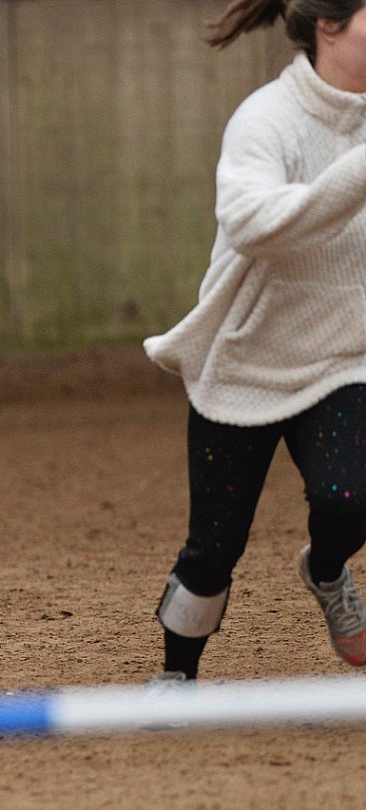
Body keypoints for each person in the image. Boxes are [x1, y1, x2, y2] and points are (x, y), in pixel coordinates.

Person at [147, 0, 366, 681]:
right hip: (244, 365)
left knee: (350, 499)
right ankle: (177, 677)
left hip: (345, 359)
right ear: (330, 25)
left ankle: (326, 571)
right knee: (212, 553)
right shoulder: (265, 119)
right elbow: (253, 224)